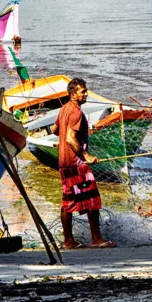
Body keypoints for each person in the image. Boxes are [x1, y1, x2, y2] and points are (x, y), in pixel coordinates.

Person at [50, 78, 116, 250]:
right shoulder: (76, 113)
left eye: (86, 90)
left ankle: (68, 241)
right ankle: (96, 239)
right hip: (76, 163)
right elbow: (71, 137)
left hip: (64, 163)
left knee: (68, 201)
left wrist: (64, 139)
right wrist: (86, 155)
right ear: (73, 94)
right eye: (82, 92)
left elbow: (55, 130)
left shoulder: (64, 108)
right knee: (92, 199)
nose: (86, 94)